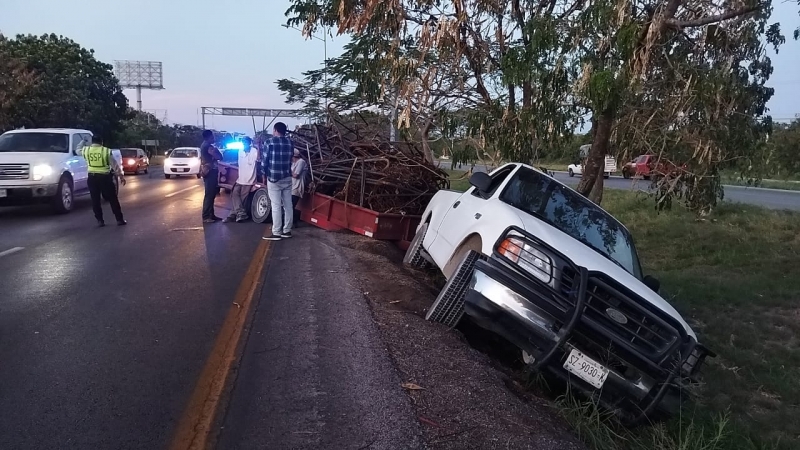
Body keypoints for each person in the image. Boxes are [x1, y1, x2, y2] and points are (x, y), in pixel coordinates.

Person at [83, 135, 126, 227]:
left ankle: (100, 220)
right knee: (112, 199)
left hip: (92, 178)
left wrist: (83, 141)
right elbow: (114, 165)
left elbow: (78, 149)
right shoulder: (105, 151)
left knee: (95, 200)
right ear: (101, 142)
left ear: (92, 142)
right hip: (105, 178)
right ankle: (119, 219)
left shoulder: (86, 150)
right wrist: (121, 176)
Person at [262, 122, 294, 240]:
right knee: (288, 205)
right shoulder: (290, 142)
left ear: (275, 130)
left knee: (276, 206)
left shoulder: (269, 142)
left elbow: (264, 161)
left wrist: (263, 173)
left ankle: (276, 232)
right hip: (287, 177)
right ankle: (287, 231)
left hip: (274, 178)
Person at [224, 137, 259, 223]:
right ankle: (240, 213)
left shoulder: (254, 151)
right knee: (234, 193)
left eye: (245, 143)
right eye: (243, 143)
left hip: (249, 179)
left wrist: (258, 146)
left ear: (249, 143)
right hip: (240, 178)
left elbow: (258, 159)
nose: (244, 144)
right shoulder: (240, 151)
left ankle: (234, 214)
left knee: (243, 197)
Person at [200, 130, 223, 223]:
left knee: (212, 194)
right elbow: (219, 157)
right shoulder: (208, 146)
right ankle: (206, 216)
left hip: (210, 171)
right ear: (208, 137)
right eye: (212, 137)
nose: (214, 138)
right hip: (210, 172)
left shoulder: (205, 145)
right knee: (209, 195)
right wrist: (216, 153)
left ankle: (211, 215)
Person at [290, 148, 308, 224]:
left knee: (290, 206)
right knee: (289, 206)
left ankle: (293, 222)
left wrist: (287, 170)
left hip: (297, 188)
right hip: (291, 187)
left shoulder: (301, 162)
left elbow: (295, 175)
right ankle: (293, 222)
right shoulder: (293, 163)